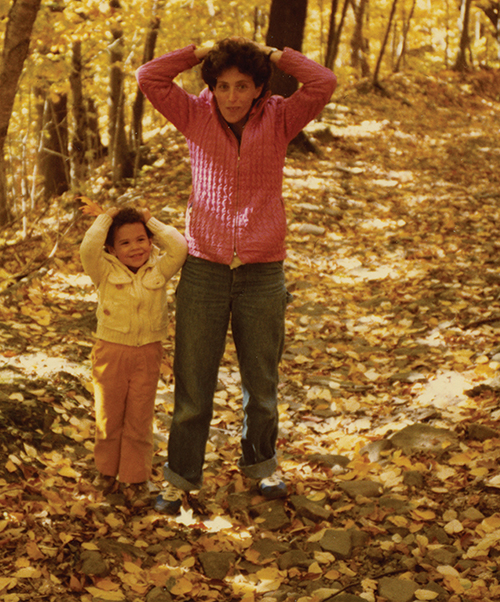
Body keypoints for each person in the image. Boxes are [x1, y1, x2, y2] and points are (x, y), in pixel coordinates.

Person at [136, 37, 337, 514]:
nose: (231, 96)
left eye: (241, 86)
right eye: (222, 86)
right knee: (192, 387)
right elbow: (149, 76)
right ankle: (180, 479)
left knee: (261, 386)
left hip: (262, 270)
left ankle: (262, 467)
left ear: (259, 89)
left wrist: (274, 55)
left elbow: (324, 81)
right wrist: (196, 52)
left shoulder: (282, 118)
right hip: (204, 269)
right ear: (212, 87)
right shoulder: (194, 116)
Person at [80, 206, 188, 503]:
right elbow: (89, 246)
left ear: (151, 240)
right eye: (125, 243)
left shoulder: (159, 268)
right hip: (111, 352)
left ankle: (135, 478)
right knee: (109, 414)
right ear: (111, 248)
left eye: (141, 239)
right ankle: (105, 471)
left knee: (139, 418)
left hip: (148, 352)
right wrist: (107, 217)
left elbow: (179, 246)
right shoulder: (103, 270)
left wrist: (150, 221)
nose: (135, 247)